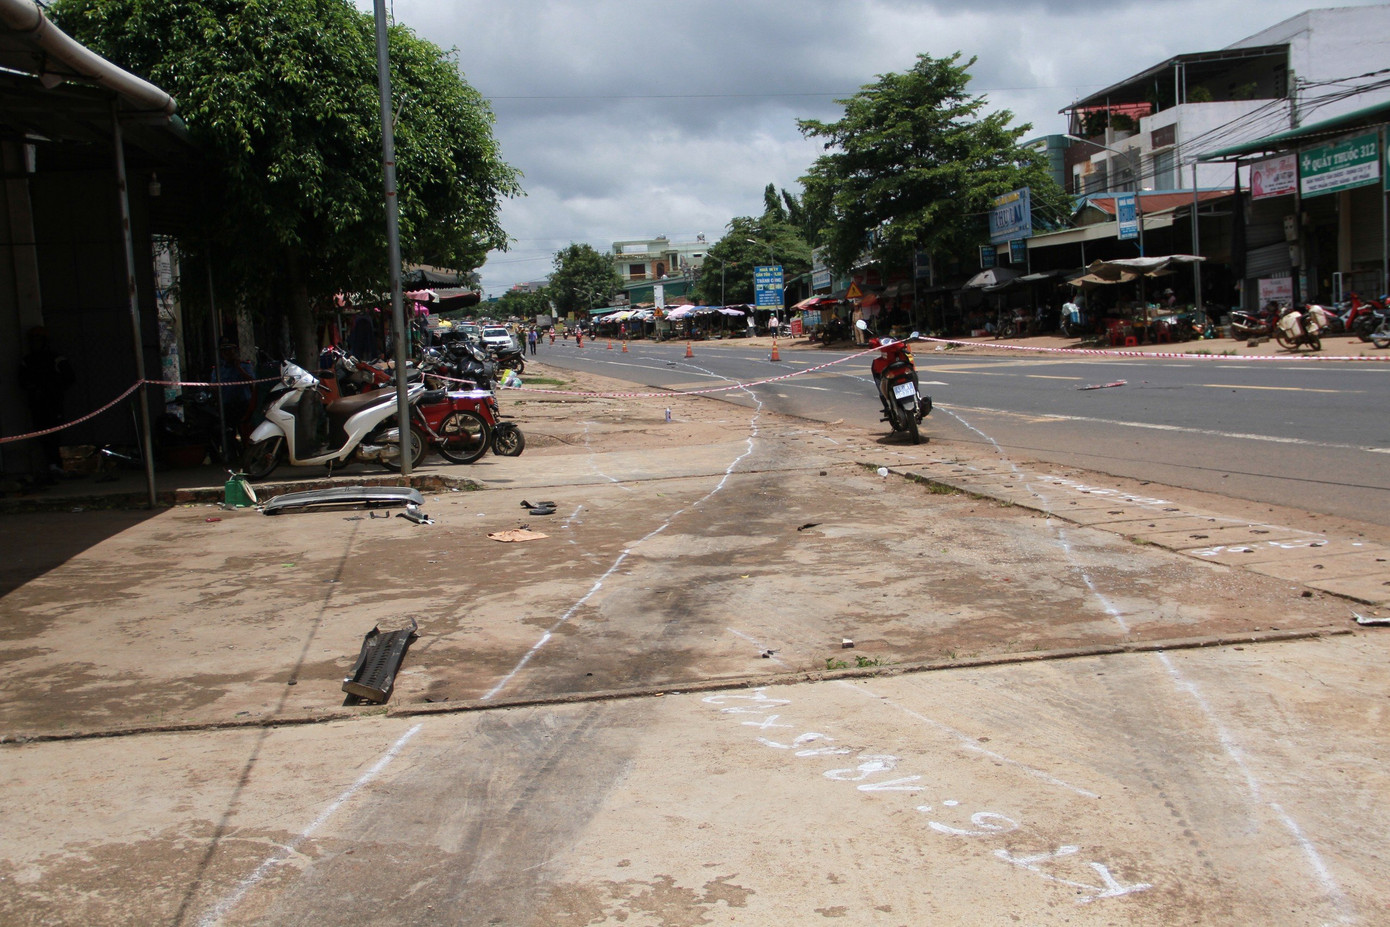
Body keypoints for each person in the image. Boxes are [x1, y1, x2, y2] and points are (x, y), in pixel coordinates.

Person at [18, 326, 75, 476]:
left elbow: (69, 378)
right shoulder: (27, 361)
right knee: (42, 434)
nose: (35, 344)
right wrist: (35, 388)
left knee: (54, 433)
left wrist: (52, 388)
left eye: (38, 340)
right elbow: (22, 381)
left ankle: (56, 464)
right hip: (37, 403)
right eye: (33, 341)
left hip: (53, 402)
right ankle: (51, 465)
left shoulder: (55, 358)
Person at [211, 339, 256, 431]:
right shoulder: (218, 369)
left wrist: (239, 368)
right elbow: (214, 386)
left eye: (231, 351)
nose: (228, 354)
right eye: (225, 351)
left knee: (245, 428)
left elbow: (251, 380)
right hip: (227, 404)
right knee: (229, 429)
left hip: (243, 403)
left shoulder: (245, 365)